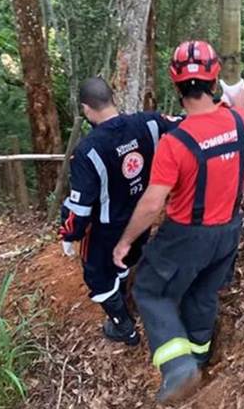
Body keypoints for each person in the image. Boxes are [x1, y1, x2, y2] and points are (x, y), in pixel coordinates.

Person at [113, 40, 244, 404]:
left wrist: (125, 242)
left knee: (149, 289)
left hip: (186, 236)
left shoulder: (176, 142)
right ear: (214, 78)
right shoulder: (240, 123)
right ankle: (200, 355)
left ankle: (179, 367)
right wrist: (236, 104)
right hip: (228, 231)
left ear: (174, 81)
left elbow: (151, 205)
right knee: (202, 292)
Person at [59, 77, 182, 346]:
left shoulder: (87, 152)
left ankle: (123, 328)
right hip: (140, 219)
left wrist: (69, 234)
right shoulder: (147, 123)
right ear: (112, 98)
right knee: (127, 260)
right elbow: (182, 122)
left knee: (98, 277)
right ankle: (127, 290)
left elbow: (79, 208)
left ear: (86, 108)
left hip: (106, 229)